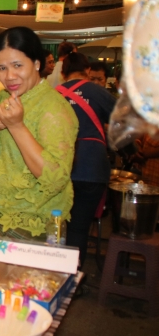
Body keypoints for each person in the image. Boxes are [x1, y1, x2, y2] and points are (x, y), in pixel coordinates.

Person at [0, 27, 78, 239]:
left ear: (36, 63)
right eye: (2, 68)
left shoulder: (54, 108)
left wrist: (17, 126)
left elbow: (55, 179)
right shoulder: (2, 98)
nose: (10, 76)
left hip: (34, 227)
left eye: (18, 65)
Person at [58, 52, 116, 267]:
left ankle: (55, 271)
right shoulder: (98, 92)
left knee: (56, 224)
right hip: (92, 168)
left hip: (59, 168)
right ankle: (73, 273)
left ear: (63, 73)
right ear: (88, 70)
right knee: (79, 228)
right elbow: (123, 121)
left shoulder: (53, 95)